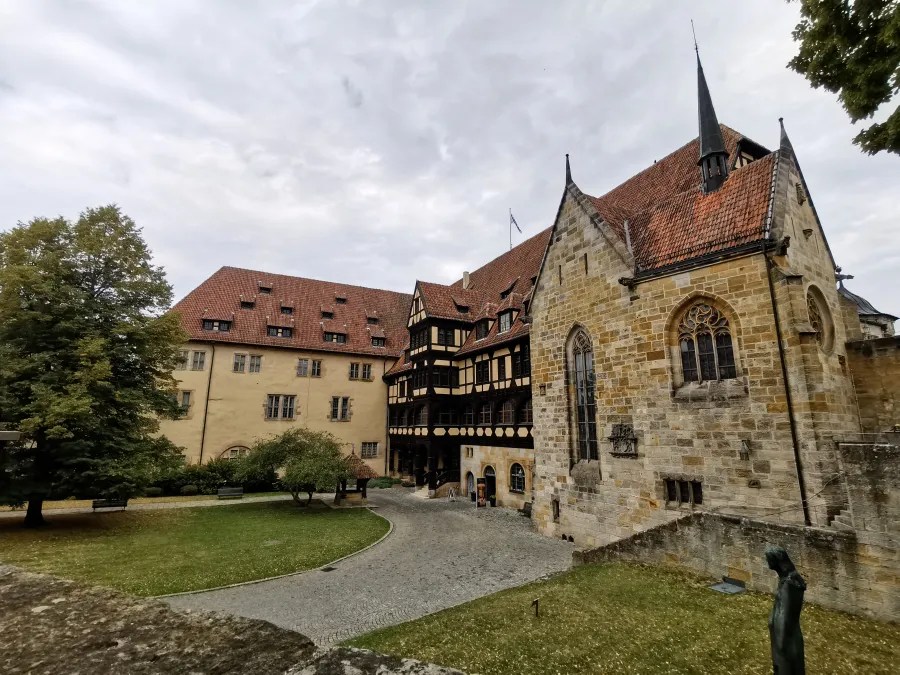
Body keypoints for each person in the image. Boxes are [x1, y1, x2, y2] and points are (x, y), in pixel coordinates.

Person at [766, 546, 806, 675]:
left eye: (769, 561)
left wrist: (781, 643)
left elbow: (786, 614)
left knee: (786, 667)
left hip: (785, 637)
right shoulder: (787, 579)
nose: (768, 565)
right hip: (785, 634)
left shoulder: (789, 584)